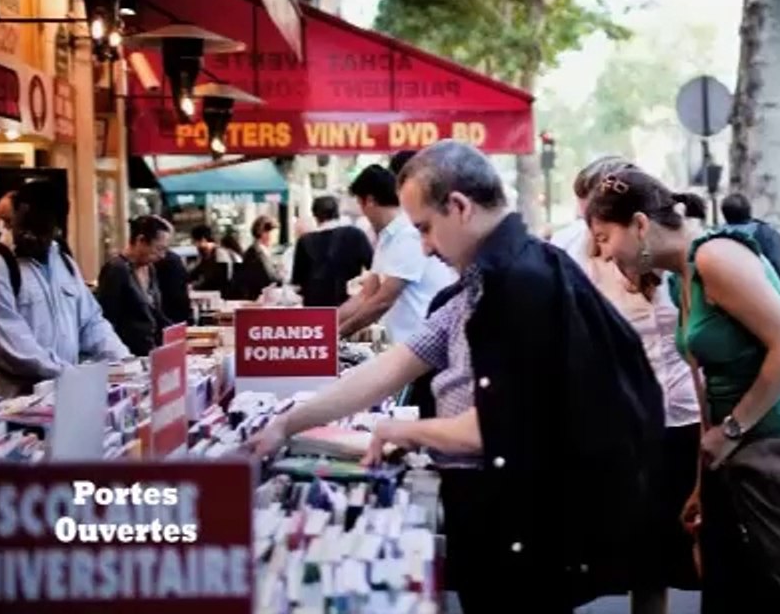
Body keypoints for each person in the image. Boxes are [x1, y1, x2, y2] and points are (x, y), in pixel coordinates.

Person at [246, 142, 665, 612]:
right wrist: (290, 423)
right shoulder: (483, 282)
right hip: (490, 513)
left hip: (516, 526)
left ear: (459, 207)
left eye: (425, 228)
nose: (424, 245)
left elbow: (494, 428)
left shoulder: (519, 286)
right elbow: (396, 364)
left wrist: (400, 429)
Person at [585, 169, 780, 614]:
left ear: (639, 224)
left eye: (604, 237)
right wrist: (700, 482)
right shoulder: (679, 276)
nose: (604, 253)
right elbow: (704, 382)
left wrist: (731, 429)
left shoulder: (715, 257)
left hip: (772, 450)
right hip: (733, 462)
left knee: (758, 595)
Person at [564, 157, 703, 614]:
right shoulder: (584, 260)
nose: (593, 228)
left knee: (693, 550)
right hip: (631, 424)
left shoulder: (676, 251)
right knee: (644, 559)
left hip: (688, 420)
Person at [0, 178, 130, 398]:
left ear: (57, 229)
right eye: (22, 225)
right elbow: (9, 346)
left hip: (60, 396)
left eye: (39, 229)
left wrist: (125, 363)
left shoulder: (64, 263)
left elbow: (91, 323)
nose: (28, 235)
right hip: (6, 401)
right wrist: (70, 375)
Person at [337, 165, 456, 340]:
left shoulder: (408, 235)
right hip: (405, 344)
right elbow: (366, 295)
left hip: (424, 344)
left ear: (369, 201)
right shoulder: (387, 237)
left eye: (360, 204)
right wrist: (322, 324)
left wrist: (337, 333)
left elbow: (383, 300)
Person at [96, 216, 175, 356]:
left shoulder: (149, 268)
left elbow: (155, 312)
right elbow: (107, 318)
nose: (162, 256)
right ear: (141, 241)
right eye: (158, 249)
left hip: (151, 352)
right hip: (128, 355)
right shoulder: (116, 270)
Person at [720, 192, 780, 323]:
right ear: (749, 211)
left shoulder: (713, 237)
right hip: (765, 310)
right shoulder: (766, 235)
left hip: (724, 313)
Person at [290, 196, 375, 308]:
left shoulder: (305, 241)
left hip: (315, 308)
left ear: (315, 216)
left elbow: (297, 280)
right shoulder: (355, 235)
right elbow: (375, 267)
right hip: (348, 304)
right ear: (337, 213)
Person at [235, 215, 280, 300]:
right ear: (263, 233)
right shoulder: (254, 254)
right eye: (274, 233)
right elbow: (267, 279)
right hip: (257, 301)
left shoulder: (263, 252)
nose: (276, 237)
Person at [188, 225, 241, 294]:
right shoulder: (205, 257)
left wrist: (196, 287)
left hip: (230, 297)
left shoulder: (221, 254)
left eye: (195, 242)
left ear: (203, 240)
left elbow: (218, 280)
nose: (195, 245)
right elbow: (193, 274)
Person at [155, 244, 192, 325]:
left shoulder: (166, 260)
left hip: (169, 310)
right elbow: (186, 280)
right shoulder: (174, 258)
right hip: (178, 311)